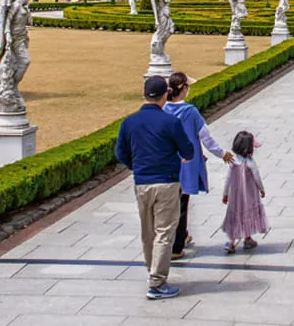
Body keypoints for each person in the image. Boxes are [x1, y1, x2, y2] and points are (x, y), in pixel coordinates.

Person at [115, 77, 196, 300]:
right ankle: (157, 282)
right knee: (164, 232)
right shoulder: (170, 122)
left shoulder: (129, 122)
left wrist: (137, 167)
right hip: (166, 182)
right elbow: (188, 151)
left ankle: (152, 271)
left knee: (148, 232)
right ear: (164, 95)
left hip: (142, 182)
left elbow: (121, 153)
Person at [163, 72, 235, 260]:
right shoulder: (190, 111)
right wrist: (222, 153)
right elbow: (206, 137)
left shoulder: (163, 110)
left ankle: (182, 236)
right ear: (183, 89)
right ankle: (176, 247)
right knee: (182, 204)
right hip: (187, 162)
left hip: (167, 162)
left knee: (170, 203)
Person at [221, 130, 268, 254]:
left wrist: (225, 193)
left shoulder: (233, 161)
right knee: (247, 214)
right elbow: (257, 176)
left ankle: (231, 241)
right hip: (249, 195)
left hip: (235, 196)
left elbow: (228, 179)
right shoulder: (250, 162)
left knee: (236, 215)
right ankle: (246, 239)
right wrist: (261, 189)